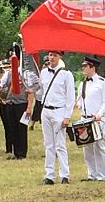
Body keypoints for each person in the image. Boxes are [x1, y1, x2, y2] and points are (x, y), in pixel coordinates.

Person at [27, 49, 74, 184]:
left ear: (60, 57)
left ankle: (64, 175)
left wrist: (67, 116)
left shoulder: (66, 74)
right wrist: (32, 90)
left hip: (59, 110)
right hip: (46, 110)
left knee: (60, 145)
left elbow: (70, 97)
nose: (52, 58)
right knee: (48, 145)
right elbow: (41, 93)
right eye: (50, 55)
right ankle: (49, 175)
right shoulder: (43, 73)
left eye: (55, 55)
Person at [75, 56, 105, 181]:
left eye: (85, 66)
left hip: (96, 119)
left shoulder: (102, 82)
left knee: (99, 146)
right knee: (87, 147)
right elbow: (80, 99)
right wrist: (78, 105)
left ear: (92, 67)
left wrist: (100, 114)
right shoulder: (83, 83)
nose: (83, 68)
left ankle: (102, 175)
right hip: (85, 118)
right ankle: (92, 174)